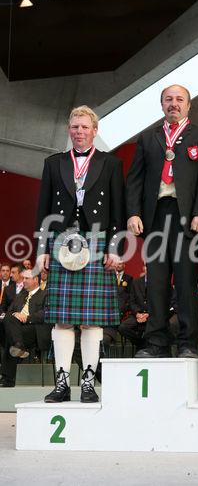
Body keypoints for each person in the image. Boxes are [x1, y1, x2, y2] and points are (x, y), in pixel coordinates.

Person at [36, 105, 125, 403]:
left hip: (97, 242)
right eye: (75, 127)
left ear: (95, 131)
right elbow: (43, 210)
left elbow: (117, 211)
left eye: (85, 127)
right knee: (62, 319)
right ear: (69, 130)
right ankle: (62, 384)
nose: (79, 132)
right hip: (61, 241)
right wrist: (41, 251)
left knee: (91, 320)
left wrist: (115, 248)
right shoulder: (54, 163)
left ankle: (88, 382)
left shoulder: (111, 164)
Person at [126, 84, 198, 358]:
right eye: (169, 99)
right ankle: (156, 342)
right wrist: (133, 213)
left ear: (189, 105)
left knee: (186, 280)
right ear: (162, 104)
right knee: (155, 282)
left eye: (179, 99)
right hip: (155, 217)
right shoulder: (147, 138)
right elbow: (135, 179)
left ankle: (187, 343)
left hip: (189, 219)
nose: (174, 103)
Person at [0, 270, 47, 387]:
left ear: (36, 280)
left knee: (10, 337)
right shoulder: (21, 295)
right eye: (24, 278)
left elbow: (45, 313)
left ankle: (7, 379)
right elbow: (9, 312)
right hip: (17, 329)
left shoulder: (45, 294)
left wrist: (27, 317)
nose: (23, 281)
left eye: (27, 278)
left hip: (34, 329)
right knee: (9, 323)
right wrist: (14, 315)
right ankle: (19, 345)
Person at [118, 266, 148, 351]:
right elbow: (132, 302)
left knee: (156, 327)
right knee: (122, 327)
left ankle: (149, 347)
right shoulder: (136, 282)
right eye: (146, 266)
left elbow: (159, 302)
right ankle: (141, 344)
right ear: (143, 268)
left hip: (152, 315)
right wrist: (138, 313)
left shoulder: (159, 282)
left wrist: (148, 314)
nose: (148, 269)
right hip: (137, 314)